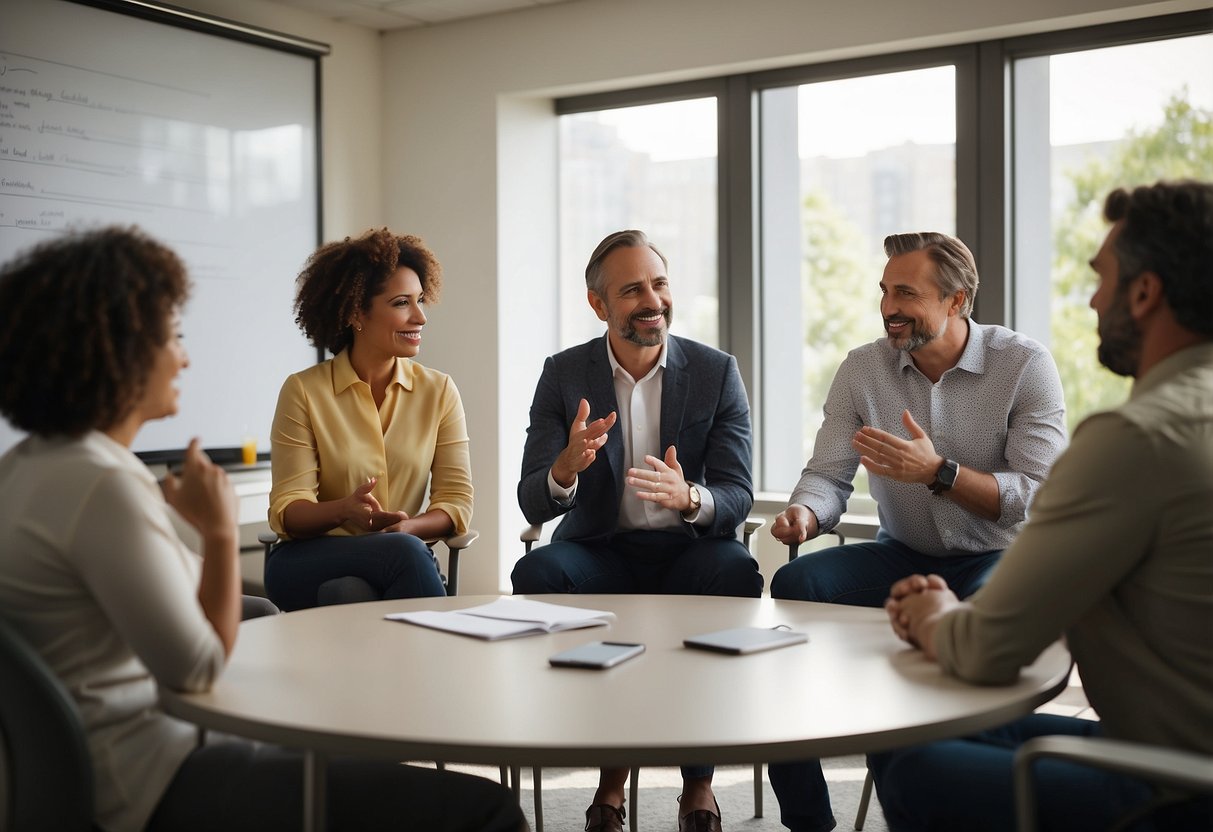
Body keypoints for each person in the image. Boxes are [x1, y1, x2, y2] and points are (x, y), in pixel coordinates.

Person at [0, 227, 525, 832]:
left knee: (344, 641)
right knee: (488, 810)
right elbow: (196, 667)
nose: (185, 357)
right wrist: (222, 533)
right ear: (116, 350)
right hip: (160, 777)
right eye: (173, 337)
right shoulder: (104, 486)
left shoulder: (28, 470)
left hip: (123, 765)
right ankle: (456, 703)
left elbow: (169, 608)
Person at [871, 181, 1213, 830]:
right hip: (1171, 752)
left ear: (1144, 294)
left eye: (1101, 279)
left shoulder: (1135, 438)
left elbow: (984, 650)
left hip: (1177, 786)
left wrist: (932, 610)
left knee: (914, 760)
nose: (1090, 299)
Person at [767, 231, 1068, 831]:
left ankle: (939, 788)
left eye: (906, 292)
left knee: (976, 634)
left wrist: (941, 473)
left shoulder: (1024, 364)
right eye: (884, 291)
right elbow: (828, 474)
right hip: (899, 554)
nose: (887, 307)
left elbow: (1035, 499)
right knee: (795, 587)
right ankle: (807, 820)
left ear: (957, 301)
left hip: (995, 557)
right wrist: (806, 511)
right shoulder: (862, 368)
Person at [512, 229, 764, 832]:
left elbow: (736, 492)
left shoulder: (715, 371)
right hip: (603, 550)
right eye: (632, 290)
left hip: (690, 549)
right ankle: (609, 775)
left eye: (659, 284)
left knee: (735, 573)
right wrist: (564, 470)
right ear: (599, 305)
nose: (652, 300)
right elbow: (531, 499)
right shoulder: (564, 374)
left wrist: (691, 496)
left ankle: (699, 784)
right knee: (538, 571)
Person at [264, 228, 472, 610]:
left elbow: (455, 502)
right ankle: (444, 656)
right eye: (401, 303)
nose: (421, 316)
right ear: (357, 311)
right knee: (401, 556)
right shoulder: (303, 391)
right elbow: (288, 510)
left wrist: (407, 528)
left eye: (421, 300)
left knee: (352, 591)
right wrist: (343, 510)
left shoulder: (439, 392)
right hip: (308, 559)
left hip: (400, 558)